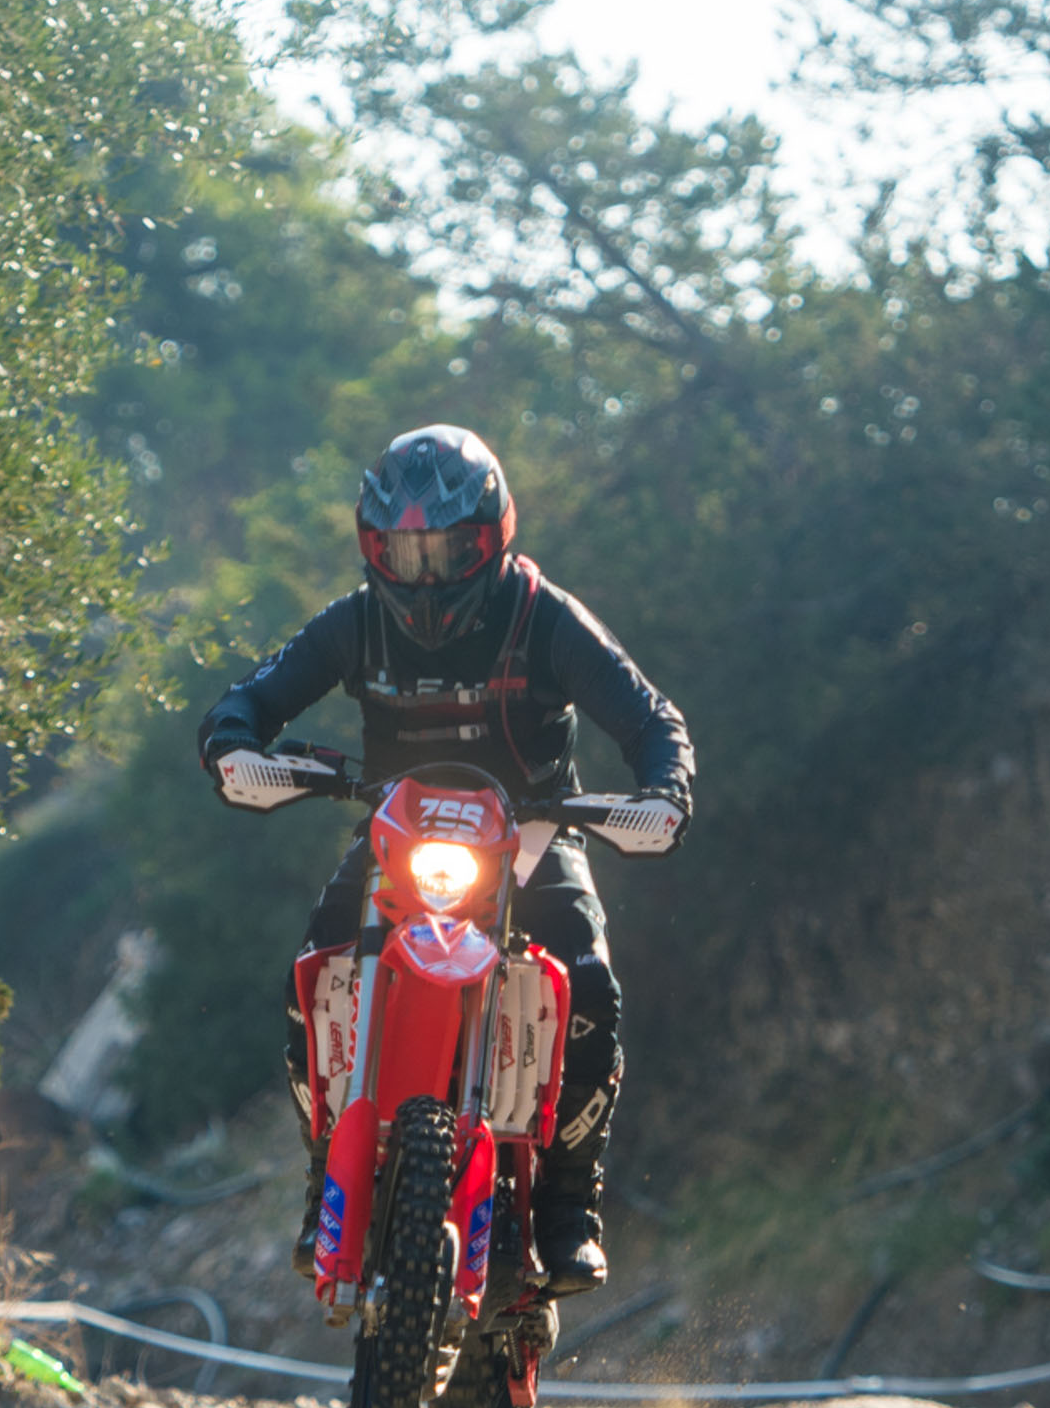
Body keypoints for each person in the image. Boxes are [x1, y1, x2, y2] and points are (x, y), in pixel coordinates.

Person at [197, 424, 694, 1296]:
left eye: (445, 552)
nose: (424, 576)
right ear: (374, 549)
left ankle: (570, 1205)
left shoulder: (544, 617)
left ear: (491, 538)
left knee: (591, 987)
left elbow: (653, 720)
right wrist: (233, 745)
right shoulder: (354, 622)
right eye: (405, 553)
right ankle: (326, 1179)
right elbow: (249, 699)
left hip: (533, 836)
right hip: (399, 833)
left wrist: (664, 790)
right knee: (313, 975)